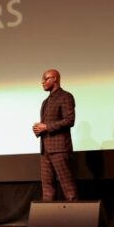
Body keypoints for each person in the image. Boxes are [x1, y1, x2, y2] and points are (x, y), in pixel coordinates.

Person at [33, 69, 78, 201]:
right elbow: (46, 124)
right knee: (47, 187)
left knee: (67, 185)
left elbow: (69, 120)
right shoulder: (45, 101)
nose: (42, 82)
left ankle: (76, 213)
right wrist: (38, 129)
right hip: (45, 149)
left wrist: (46, 127)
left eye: (46, 79)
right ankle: (48, 214)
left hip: (60, 149)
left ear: (55, 79)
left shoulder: (65, 96)